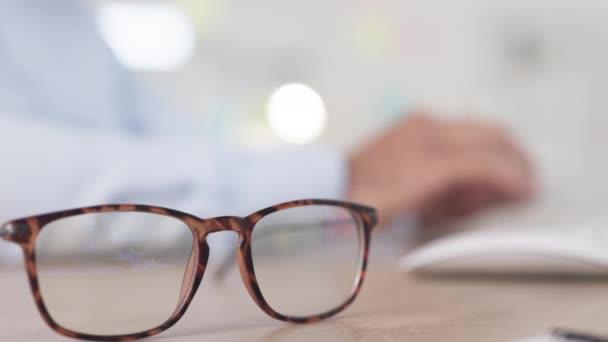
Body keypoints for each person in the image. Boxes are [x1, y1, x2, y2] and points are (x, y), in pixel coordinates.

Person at [0, 0, 534, 225]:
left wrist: (379, 212)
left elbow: (180, 157)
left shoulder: (68, 22)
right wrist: (346, 180)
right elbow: (23, 185)